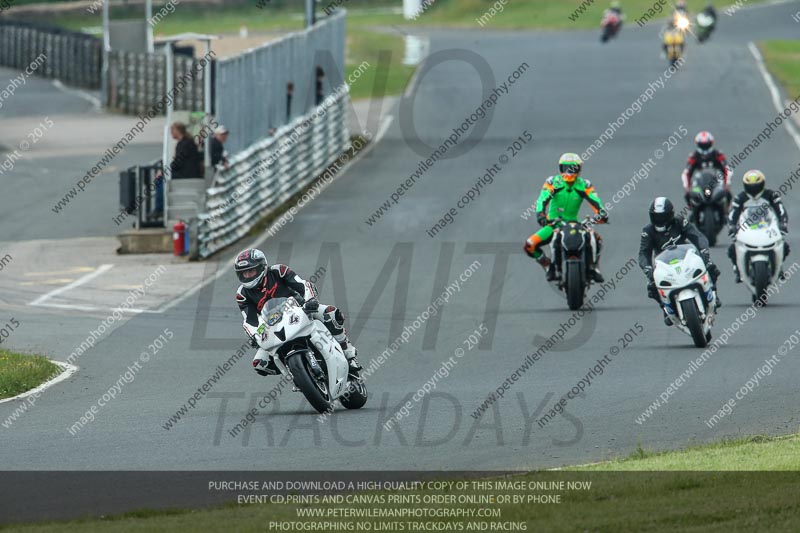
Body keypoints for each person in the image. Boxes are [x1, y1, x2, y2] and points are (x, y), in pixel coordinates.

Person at [233, 248, 362, 377]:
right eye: (244, 273)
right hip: (272, 325)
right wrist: (255, 335)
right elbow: (249, 320)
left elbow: (302, 284)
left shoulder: (279, 271)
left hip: (301, 309)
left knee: (331, 314)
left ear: (262, 267)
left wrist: (310, 300)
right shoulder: (242, 294)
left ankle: (348, 354)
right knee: (260, 363)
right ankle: (296, 375)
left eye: (251, 271)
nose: (248, 275)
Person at [524, 153, 608, 283]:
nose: (569, 171)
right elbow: (542, 199)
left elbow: (596, 201)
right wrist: (540, 214)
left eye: (573, 168)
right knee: (530, 245)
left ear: (579, 169)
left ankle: (594, 268)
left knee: (597, 239)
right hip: (553, 224)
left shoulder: (584, 185)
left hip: (575, 224)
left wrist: (601, 213)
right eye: (566, 167)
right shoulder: (552, 182)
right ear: (560, 168)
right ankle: (548, 266)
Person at [639, 197, 721, 324]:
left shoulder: (680, 222)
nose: (659, 220)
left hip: (686, 258)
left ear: (670, 215)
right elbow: (643, 254)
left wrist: (704, 251)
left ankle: (713, 292)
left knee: (710, 266)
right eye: (656, 217)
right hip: (664, 265)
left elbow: (698, 237)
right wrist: (648, 270)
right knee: (651, 286)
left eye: (663, 216)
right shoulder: (648, 231)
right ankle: (665, 309)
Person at [726, 170, 789, 283]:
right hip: (747, 228)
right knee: (732, 249)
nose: (754, 189)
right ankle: (737, 269)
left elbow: (781, 210)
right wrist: (731, 226)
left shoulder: (771, 195)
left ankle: (779, 267)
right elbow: (732, 214)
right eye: (751, 186)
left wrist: (783, 224)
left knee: (785, 246)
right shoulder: (740, 198)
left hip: (767, 227)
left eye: (756, 186)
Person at [681, 131, 731, 205]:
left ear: (711, 143)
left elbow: (727, 169)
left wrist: (727, 184)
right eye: (702, 145)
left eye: (706, 145)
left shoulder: (718, 154)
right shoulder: (693, 156)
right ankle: (693, 211)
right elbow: (686, 173)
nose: (704, 148)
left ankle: (726, 211)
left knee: (728, 194)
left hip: (716, 182)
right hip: (698, 183)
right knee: (687, 196)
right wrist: (687, 187)